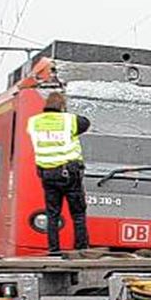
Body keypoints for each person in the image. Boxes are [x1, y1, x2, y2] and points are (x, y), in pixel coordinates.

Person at [26, 90, 91, 254]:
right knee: (78, 213)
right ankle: (81, 248)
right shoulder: (69, 120)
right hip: (69, 173)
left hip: (47, 174)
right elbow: (86, 123)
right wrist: (67, 111)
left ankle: (53, 249)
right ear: (62, 106)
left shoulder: (33, 122)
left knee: (52, 214)